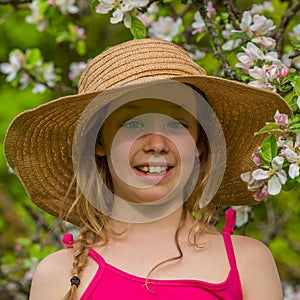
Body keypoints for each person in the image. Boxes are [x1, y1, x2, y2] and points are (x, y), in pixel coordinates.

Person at [4, 38, 291, 300]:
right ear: (98, 141)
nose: (157, 143)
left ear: (200, 142)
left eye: (177, 123)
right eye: (133, 124)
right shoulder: (59, 276)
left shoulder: (246, 263)